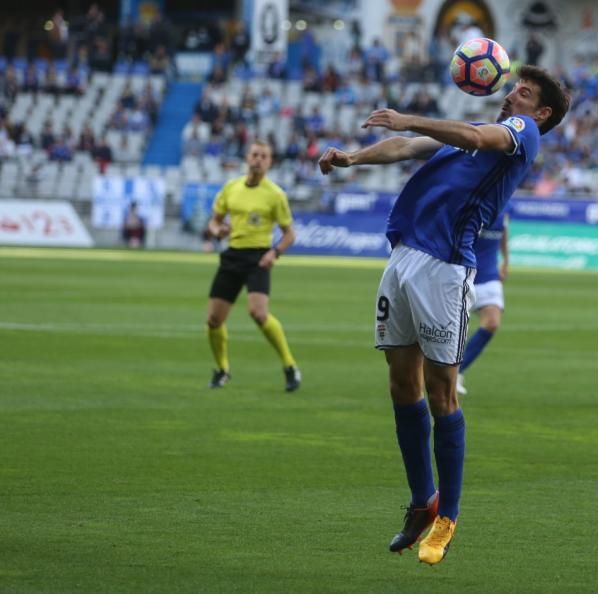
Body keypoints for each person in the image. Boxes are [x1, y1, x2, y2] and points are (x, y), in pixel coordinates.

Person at [318, 65, 570, 565]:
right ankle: (421, 501)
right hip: (405, 256)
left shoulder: (522, 134)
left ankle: (448, 516)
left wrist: (406, 117)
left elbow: (463, 133)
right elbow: (408, 149)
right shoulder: (473, 140)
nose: (511, 93)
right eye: (513, 85)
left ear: (540, 112)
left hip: (445, 269)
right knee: (400, 384)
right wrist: (355, 158)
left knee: (441, 392)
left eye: (522, 91)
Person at [205, 140, 302, 393]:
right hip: (232, 256)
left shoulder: (275, 194)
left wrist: (274, 253)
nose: (258, 159)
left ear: (269, 162)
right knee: (214, 320)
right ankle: (221, 369)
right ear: (247, 158)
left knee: (258, 313)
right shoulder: (230, 188)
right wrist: (218, 231)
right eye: (255, 155)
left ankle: (290, 366)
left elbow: (290, 234)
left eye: (264, 156)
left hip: (259, 257)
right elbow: (214, 222)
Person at [456, 206, 510, 396]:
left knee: (492, 323)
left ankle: (458, 371)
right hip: (462, 273)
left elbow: (504, 228)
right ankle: (439, 370)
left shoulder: (505, 202)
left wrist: (506, 259)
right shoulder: (473, 202)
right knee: (448, 329)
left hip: (489, 275)